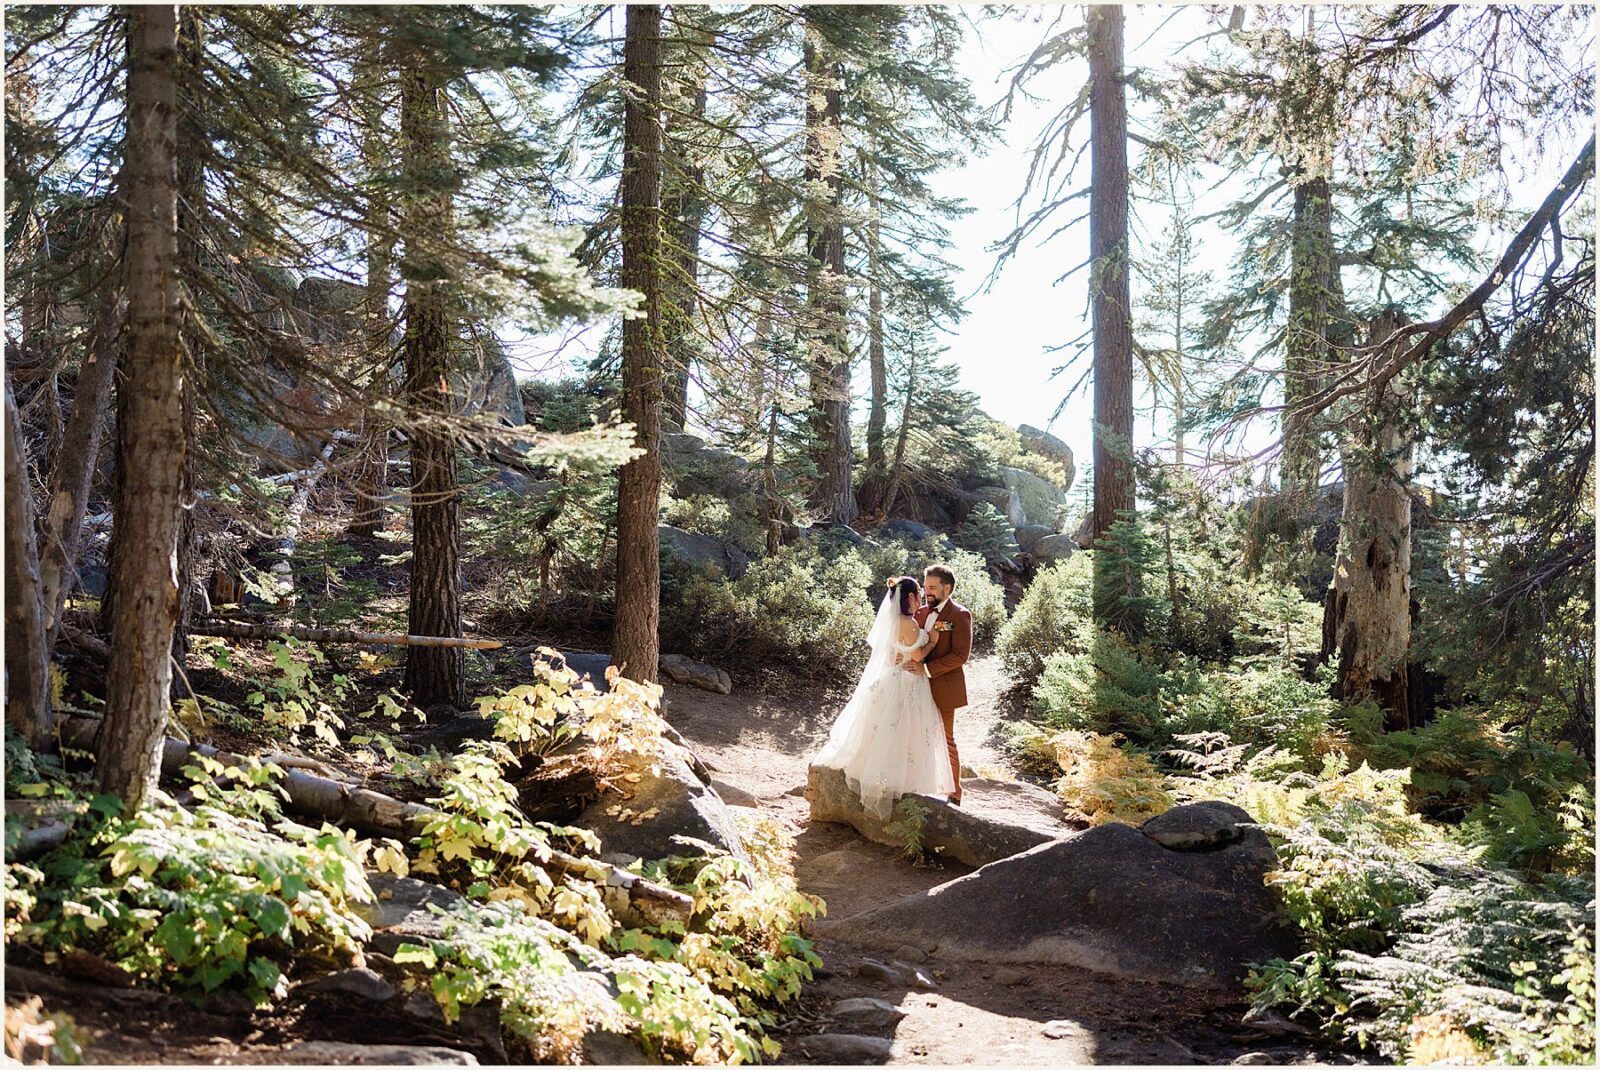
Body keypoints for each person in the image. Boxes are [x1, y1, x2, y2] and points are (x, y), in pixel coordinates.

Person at [812, 575, 957, 820]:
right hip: (909, 682)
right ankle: (901, 784)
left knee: (889, 729)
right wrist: (931, 642)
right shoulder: (908, 623)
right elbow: (918, 655)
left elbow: (892, 657)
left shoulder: (898, 622)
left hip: (896, 678)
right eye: (920, 593)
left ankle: (884, 776)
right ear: (910, 597)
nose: (922, 597)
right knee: (905, 731)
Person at [904, 563, 970, 805]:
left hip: (943, 686)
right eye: (925, 586)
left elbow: (960, 655)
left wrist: (927, 669)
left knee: (946, 739)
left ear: (947, 588)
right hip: (914, 689)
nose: (927, 591)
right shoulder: (919, 613)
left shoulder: (960, 615)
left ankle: (954, 793)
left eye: (932, 587)